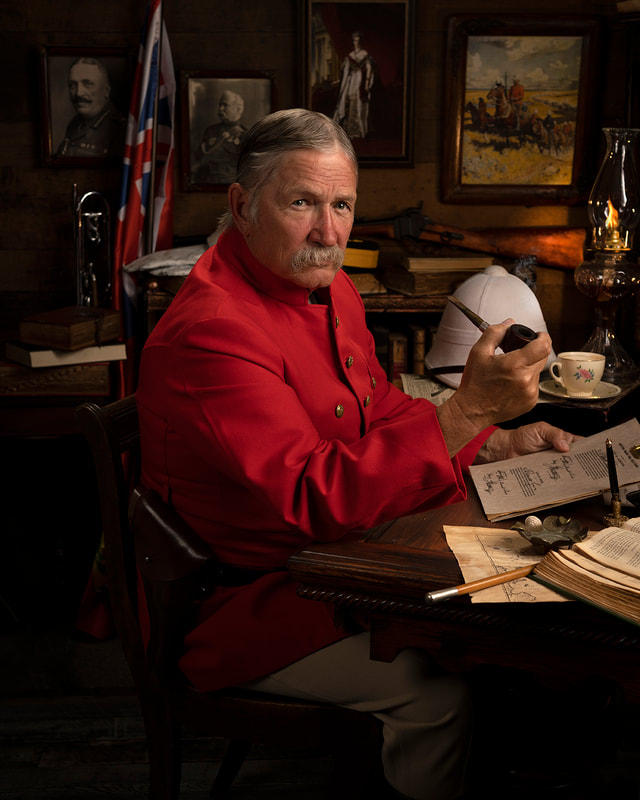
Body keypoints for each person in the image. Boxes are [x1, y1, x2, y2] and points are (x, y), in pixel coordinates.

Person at [136, 108, 578, 800]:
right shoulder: (211, 332)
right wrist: (467, 411)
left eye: (341, 205)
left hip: (345, 562)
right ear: (241, 205)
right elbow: (314, 497)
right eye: (302, 202)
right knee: (442, 692)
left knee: (525, 630)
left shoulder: (329, 286)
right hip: (256, 604)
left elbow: (385, 410)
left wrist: (496, 443)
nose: (328, 231)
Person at [56, 57, 126, 159]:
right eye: (73, 85)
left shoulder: (120, 131)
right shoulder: (74, 125)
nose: (79, 93)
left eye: (87, 84)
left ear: (106, 91)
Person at [195, 90, 247, 184]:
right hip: (207, 182)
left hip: (231, 182)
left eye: (225, 105)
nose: (220, 109)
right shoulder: (211, 131)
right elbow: (197, 157)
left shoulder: (244, 134)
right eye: (220, 105)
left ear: (238, 109)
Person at [333, 31, 375, 139]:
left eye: (358, 40)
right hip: (351, 82)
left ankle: (358, 132)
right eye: (354, 40)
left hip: (359, 82)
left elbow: (369, 68)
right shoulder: (350, 56)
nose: (356, 42)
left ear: (361, 41)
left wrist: (366, 82)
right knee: (350, 103)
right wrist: (340, 81)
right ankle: (350, 131)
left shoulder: (364, 55)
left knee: (358, 105)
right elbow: (345, 72)